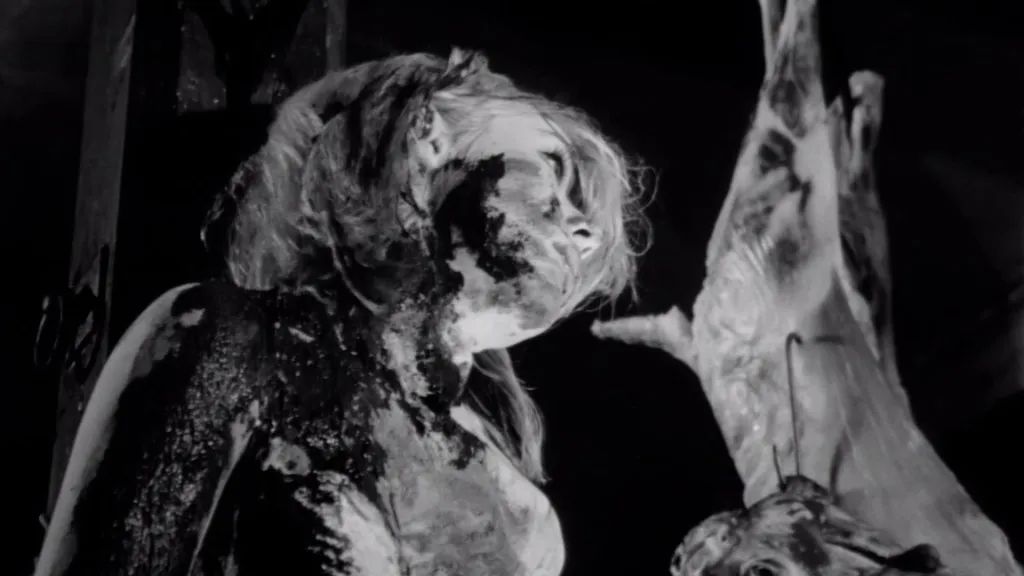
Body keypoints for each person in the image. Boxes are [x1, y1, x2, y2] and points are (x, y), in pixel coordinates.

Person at [33, 47, 648, 576]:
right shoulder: (235, 340)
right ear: (429, 136)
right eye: (553, 173)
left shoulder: (526, 519)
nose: (586, 232)